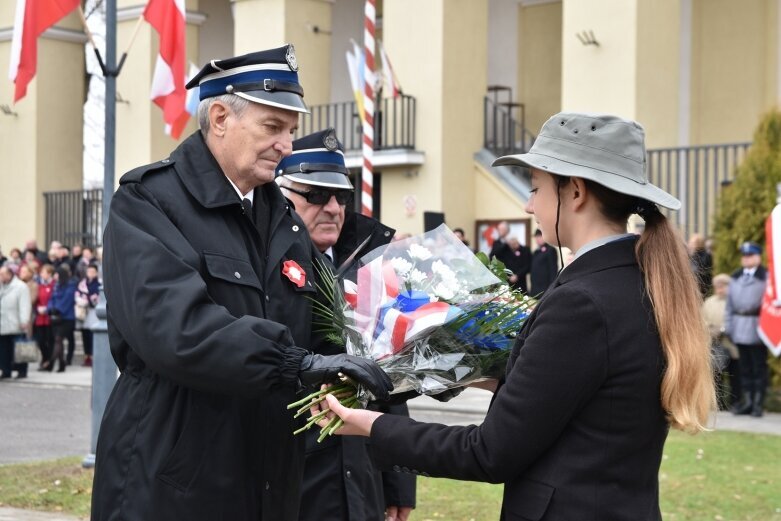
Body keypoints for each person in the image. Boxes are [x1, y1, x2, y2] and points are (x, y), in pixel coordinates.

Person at [316, 112, 716, 520]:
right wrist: (462, 367)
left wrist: (371, 424)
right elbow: (580, 397)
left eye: (536, 188)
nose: (528, 205)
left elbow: (489, 453)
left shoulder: (582, 304)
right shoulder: (636, 282)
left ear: (574, 192)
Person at [90, 46, 392, 521]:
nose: (287, 146)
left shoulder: (283, 220)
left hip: (267, 478)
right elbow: (177, 331)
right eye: (273, 127)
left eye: (291, 131)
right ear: (219, 118)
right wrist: (296, 361)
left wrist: (415, 345)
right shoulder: (148, 202)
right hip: (173, 482)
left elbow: (333, 326)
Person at [276, 129, 415, 521]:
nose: (334, 207)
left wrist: (398, 481)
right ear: (279, 195)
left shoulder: (370, 264)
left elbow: (388, 378)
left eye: (341, 196)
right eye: (316, 195)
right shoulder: (260, 262)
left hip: (363, 473)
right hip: (294, 474)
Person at [724, 241, 768, 417]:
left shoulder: (766, 277)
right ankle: (747, 401)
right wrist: (729, 326)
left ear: (758, 257)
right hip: (740, 326)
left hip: (758, 326)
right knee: (744, 367)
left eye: (750, 256)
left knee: (759, 367)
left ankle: (758, 403)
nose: (746, 259)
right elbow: (729, 306)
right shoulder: (735, 277)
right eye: (744, 256)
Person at [702, 273, 740, 409]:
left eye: (723, 286)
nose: (720, 289)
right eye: (718, 286)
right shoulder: (709, 302)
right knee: (716, 375)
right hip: (715, 345)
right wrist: (713, 332)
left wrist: (725, 329)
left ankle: (736, 403)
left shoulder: (736, 301)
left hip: (732, 345)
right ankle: (718, 404)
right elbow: (703, 322)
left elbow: (738, 321)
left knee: (735, 375)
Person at [0, 266, 32, 379]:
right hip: (3, 323)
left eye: (2, 274)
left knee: (19, 348)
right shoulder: (1, 286)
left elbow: (24, 305)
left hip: (16, 322)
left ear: (9, 274)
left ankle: (22, 371)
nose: (1, 277)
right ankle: (5, 370)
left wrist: (24, 320)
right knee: (4, 350)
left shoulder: (20, 287)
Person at [45, 265, 77, 372]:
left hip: (67, 318)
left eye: (56, 274)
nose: (55, 276)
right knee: (58, 341)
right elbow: (51, 299)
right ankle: (61, 364)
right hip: (56, 317)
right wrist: (50, 309)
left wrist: (58, 309)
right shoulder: (56, 285)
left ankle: (51, 362)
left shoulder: (70, 286)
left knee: (58, 339)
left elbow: (68, 300)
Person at [75, 264, 101, 367]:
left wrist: (89, 300)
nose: (90, 273)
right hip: (83, 312)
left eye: (92, 271)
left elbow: (98, 297)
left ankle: (94, 356)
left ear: (96, 273)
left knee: (92, 335)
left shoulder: (99, 284)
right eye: (89, 271)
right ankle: (87, 357)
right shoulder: (82, 284)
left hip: (93, 312)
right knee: (84, 334)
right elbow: (77, 294)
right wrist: (81, 300)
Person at [33, 264, 55, 370]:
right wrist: (38, 308)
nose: (41, 274)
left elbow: (53, 299)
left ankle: (49, 362)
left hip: (49, 316)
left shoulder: (54, 285)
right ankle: (45, 359)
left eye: (43, 272)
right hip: (40, 317)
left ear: (49, 273)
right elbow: (36, 298)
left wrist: (47, 308)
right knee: (40, 340)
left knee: (50, 340)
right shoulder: (39, 285)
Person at [529, 228, 558, 297]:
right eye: (536, 237)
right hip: (535, 287)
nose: (537, 239)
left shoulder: (550, 250)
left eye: (539, 236)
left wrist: (551, 287)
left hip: (545, 287)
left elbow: (553, 270)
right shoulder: (536, 252)